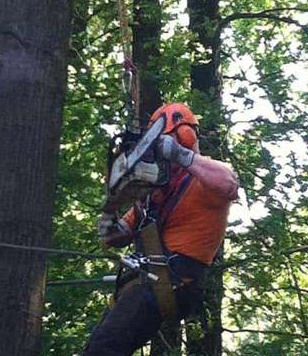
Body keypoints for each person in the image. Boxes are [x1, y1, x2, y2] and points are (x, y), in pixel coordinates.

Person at [83, 103, 239, 356]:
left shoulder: (205, 179)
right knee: (98, 347)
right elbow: (113, 237)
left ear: (184, 138)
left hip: (176, 280)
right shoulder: (153, 194)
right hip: (146, 282)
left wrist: (179, 153)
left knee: (104, 349)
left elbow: (229, 184)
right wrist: (111, 206)